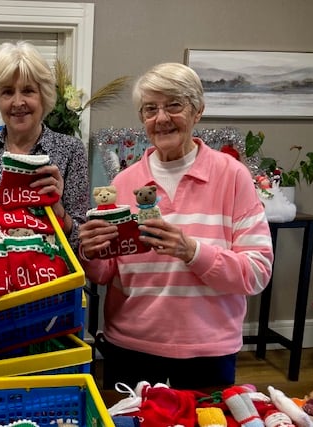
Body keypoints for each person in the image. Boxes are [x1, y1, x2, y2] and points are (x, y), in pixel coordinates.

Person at [78, 62, 273, 390]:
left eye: (174, 105)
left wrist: (192, 251)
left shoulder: (232, 176)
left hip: (208, 352)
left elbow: (257, 273)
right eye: (150, 109)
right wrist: (92, 252)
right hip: (130, 347)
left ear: (198, 111)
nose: (162, 118)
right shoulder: (125, 182)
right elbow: (104, 273)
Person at [0, 41, 89, 249]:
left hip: (50, 274)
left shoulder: (71, 151)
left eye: (28, 91)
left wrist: (57, 209)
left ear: (44, 96)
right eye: (8, 92)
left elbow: (82, 242)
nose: (18, 102)